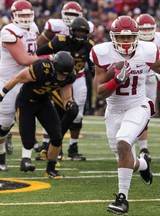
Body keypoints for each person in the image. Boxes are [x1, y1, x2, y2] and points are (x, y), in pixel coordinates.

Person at [90, 16, 160, 215]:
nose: (126, 42)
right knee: (122, 154)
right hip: (113, 109)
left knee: (123, 143)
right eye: (121, 37)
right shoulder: (102, 53)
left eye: (130, 37)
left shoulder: (147, 51)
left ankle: (122, 199)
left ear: (137, 37)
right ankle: (144, 164)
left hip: (138, 105)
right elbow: (100, 92)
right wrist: (115, 81)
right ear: (113, 38)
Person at [0, 51, 77, 178]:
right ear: (53, 66)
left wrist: (70, 104)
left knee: (57, 137)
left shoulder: (68, 75)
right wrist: (2, 94)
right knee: (28, 141)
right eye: (59, 74)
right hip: (26, 103)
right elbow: (16, 78)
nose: (61, 77)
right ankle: (20, 156)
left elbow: (66, 96)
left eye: (65, 75)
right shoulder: (41, 68)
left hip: (43, 102)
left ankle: (50, 170)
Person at [36, 17, 94, 161]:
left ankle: (69, 148)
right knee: (61, 111)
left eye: (83, 32)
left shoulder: (89, 45)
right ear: (71, 31)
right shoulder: (61, 40)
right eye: (77, 32)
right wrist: (51, 61)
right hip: (58, 80)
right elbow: (40, 52)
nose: (80, 35)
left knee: (74, 112)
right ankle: (54, 146)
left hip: (76, 79)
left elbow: (93, 68)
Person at [0, 0, 39, 171]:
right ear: (13, 15)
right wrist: (48, 60)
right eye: (21, 15)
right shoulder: (8, 31)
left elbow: (34, 53)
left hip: (28, 79)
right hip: (9, 81)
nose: (25, 19)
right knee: (5, 123)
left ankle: (26, 158)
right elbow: (22, 59)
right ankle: (1, 156)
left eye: (28, 15)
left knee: (30, 117)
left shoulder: (34, 28)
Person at [136, 13, 160, 160]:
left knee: (146, 114)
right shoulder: (130, 38)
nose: (146, 32)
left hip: (151, 80)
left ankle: (144, 148)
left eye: (149, 29)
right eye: (143, 30)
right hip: (134, 79)